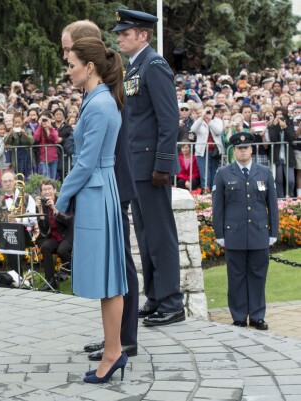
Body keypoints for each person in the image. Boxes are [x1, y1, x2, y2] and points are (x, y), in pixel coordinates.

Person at [62, 19, 139, 362]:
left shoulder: (100, 102)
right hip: (102, 189)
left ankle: (116, 350)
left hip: (101, 190)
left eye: (71, 62)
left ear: (88, 65)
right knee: (110, 280)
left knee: (113, 278)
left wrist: (62, 199)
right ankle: (113, 349)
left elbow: (87, 162)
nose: (68, 69)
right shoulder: (100, 98)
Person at [113, 9, 185, 326]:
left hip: (151, 167)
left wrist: (163, 165)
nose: (119, 38)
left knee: (160, 235)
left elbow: (169, 121)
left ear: (143, 35)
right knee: (145, 236)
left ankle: (172, 302)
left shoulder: (153, 65)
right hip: (137, 165)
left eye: (125, 33)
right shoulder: (135, 67)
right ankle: (156, 296)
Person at [212, 132, 279, 330]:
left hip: (259, 233)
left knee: (258, 276)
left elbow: (272, 205)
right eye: (239, 148)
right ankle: (239, 316)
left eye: (246, 148)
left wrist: (273, 231)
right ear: (234, 151)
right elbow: (218, 207)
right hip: (234, 234)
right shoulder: (223, 173)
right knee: (236, 276)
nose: (243, 151)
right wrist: (220, 234)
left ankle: (257, 316)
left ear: (251, 149)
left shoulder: (264, 172)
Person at [0, 171, 36, 286]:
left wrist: (18, 220)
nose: (8, 183)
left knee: (11, 242)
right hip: (2, 235)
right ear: (1, 184)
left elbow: (33, 218)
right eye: (5, 181)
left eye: (10, 181)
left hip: (21, 235)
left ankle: (17, 279)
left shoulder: (28, 198)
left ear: (15, 181)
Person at [35, 179, 72, 291]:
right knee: (45, 247)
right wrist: (40, 209)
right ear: (41, 192)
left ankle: (79, 272)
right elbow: (44, 229)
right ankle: (50, 281)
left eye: (49, 189)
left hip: (67, 234)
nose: (47, 192)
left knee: (62, 251)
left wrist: (54, 208)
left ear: (55, 190)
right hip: (54, 236)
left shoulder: (63, 201)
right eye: (44, 190)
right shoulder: (42, 205)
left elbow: (68, 222)